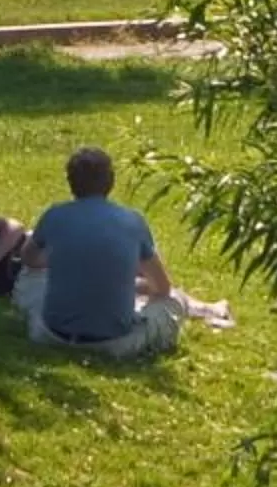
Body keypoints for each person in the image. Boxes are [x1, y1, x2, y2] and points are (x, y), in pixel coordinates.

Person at [19, 145, 182, 359]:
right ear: (111, 181)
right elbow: (162, 288)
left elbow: (28, 258)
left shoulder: (54, 215)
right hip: (114, 343)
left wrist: (65, 264)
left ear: (71, 182)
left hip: (53, 335)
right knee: (173, 302)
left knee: (28, 277)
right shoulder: (132, 221)